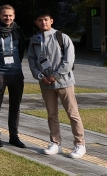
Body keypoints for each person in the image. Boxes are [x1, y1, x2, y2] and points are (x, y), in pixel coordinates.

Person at [27, 10, 86, 159]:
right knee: (51, 114)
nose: (43, 22)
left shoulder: (62, 37)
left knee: (73, 114)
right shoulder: (34, 40)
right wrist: (41, 77)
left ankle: (80, 144)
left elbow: (69, 60)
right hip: (45, 83)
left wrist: (56, 75)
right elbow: (31, 61)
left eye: (46, 19)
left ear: (51, 21)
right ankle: (55, 142)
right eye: (40, 20)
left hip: (64, 82)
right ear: (36, 22)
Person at [0, 4, 28, 148]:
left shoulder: (18, 31)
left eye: (10, 15)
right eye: (5, 15)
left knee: (15, 107)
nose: (7, 18)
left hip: (16, 73)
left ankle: (14, 136)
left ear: (14, 16)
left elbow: (21, 50)